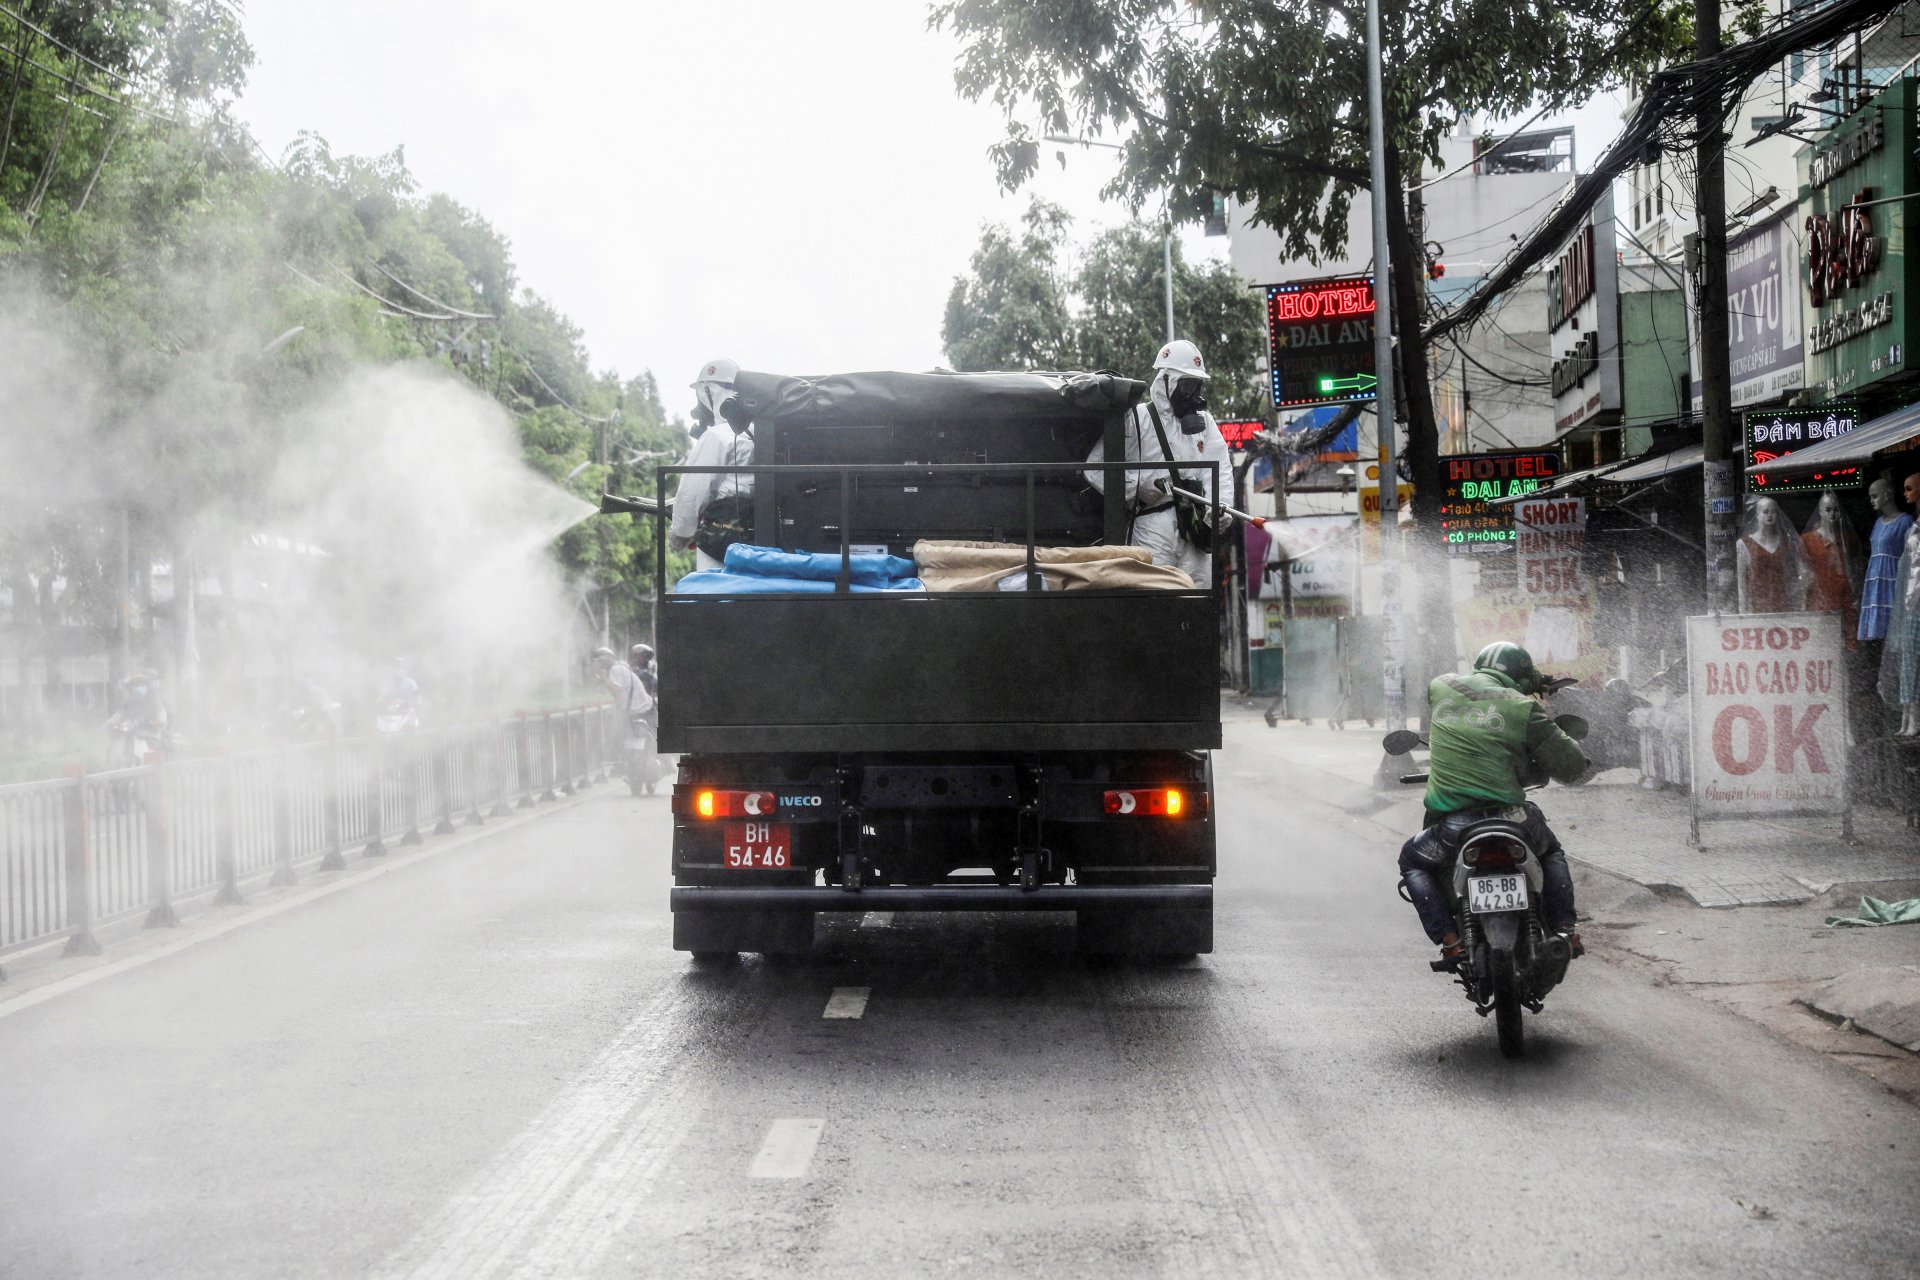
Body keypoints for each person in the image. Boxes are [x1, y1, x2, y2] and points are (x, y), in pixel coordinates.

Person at [1397, 642, 1589, 965]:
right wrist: (1535, 686)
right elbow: (1571, 767)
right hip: (1513, 819)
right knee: (1550, 852)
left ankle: (1451, 942)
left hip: (1454, 826)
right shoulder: (1525, 709)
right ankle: (1566, 930)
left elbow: (1484, 697)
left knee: (1411, 860)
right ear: (1521, 678)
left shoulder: (1441, 686)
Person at [1083, 338, 1230, 586]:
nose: (1193, 395)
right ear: (1165, 382)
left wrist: (1220, 506)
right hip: (1151, 527)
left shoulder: (1205, 423)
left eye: (1197, 386)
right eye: (1186, 386)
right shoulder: (1137, 419)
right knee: (1157, 596)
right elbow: (1095, 468)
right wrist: (1137, 487)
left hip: (1193, 526)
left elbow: (1220, 469)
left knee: (1200, 597)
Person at [669, 357, 755, 572]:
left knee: (712, 584)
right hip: (756, 534)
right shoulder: (757, 431)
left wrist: (680, 533)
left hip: (721, 536)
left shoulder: (716, 436)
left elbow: (693, 490)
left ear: (708, 391)